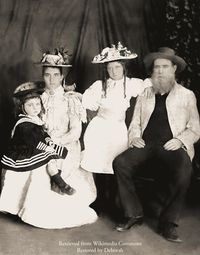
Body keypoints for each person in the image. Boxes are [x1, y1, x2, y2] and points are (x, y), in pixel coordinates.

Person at [0, 48, 97, 229]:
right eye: (47, 75)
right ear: (42, 76)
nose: (51, 80)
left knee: (53, 161)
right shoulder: (36, 99)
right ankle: (31, 206)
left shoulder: (71, 100)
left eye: (55, 75)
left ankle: (58, 192)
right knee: (36, 163)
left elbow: (76, 132)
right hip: (41, 144)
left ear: (62, 77)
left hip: (65, 142)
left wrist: (55, 141)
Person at [113, 47, 200, 242]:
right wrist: (134, 136)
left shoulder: (187, 95)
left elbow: (195, 128)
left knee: (184, 168)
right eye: (156, 67)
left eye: (165, 67)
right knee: (121, 163)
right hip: (146, 144)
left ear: (174, 69)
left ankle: (168, 222)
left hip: (172, 145)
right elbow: (135, 122)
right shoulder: (145, 93)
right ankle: (133, 213)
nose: (160, 71)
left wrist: (180, 140)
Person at [81, 42, 152, 214]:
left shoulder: (131, 84)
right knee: (98, 163)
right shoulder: (100, 85)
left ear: (123, 67)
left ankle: (114, 200)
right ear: (106, 69)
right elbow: (87, 101)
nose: (114, 71)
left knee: (114, 164)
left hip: (118, 128)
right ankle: (99, 200)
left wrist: (149, 84)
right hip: (100, 127)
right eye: (110, 68)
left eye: (117, 67)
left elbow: (147, 83)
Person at [1, 82, 75, 196]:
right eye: (30, 105)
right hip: (24, 150)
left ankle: (58, 182)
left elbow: (43, 135)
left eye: (37, 104)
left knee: (59, 152)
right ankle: (59, 183)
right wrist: (47, 148)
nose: (35, 108)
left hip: (36, 145)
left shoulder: (36, 119)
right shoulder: (24, 124)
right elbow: (33, 141)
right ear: (22, 108)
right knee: (50, 157)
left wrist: (49, 142)